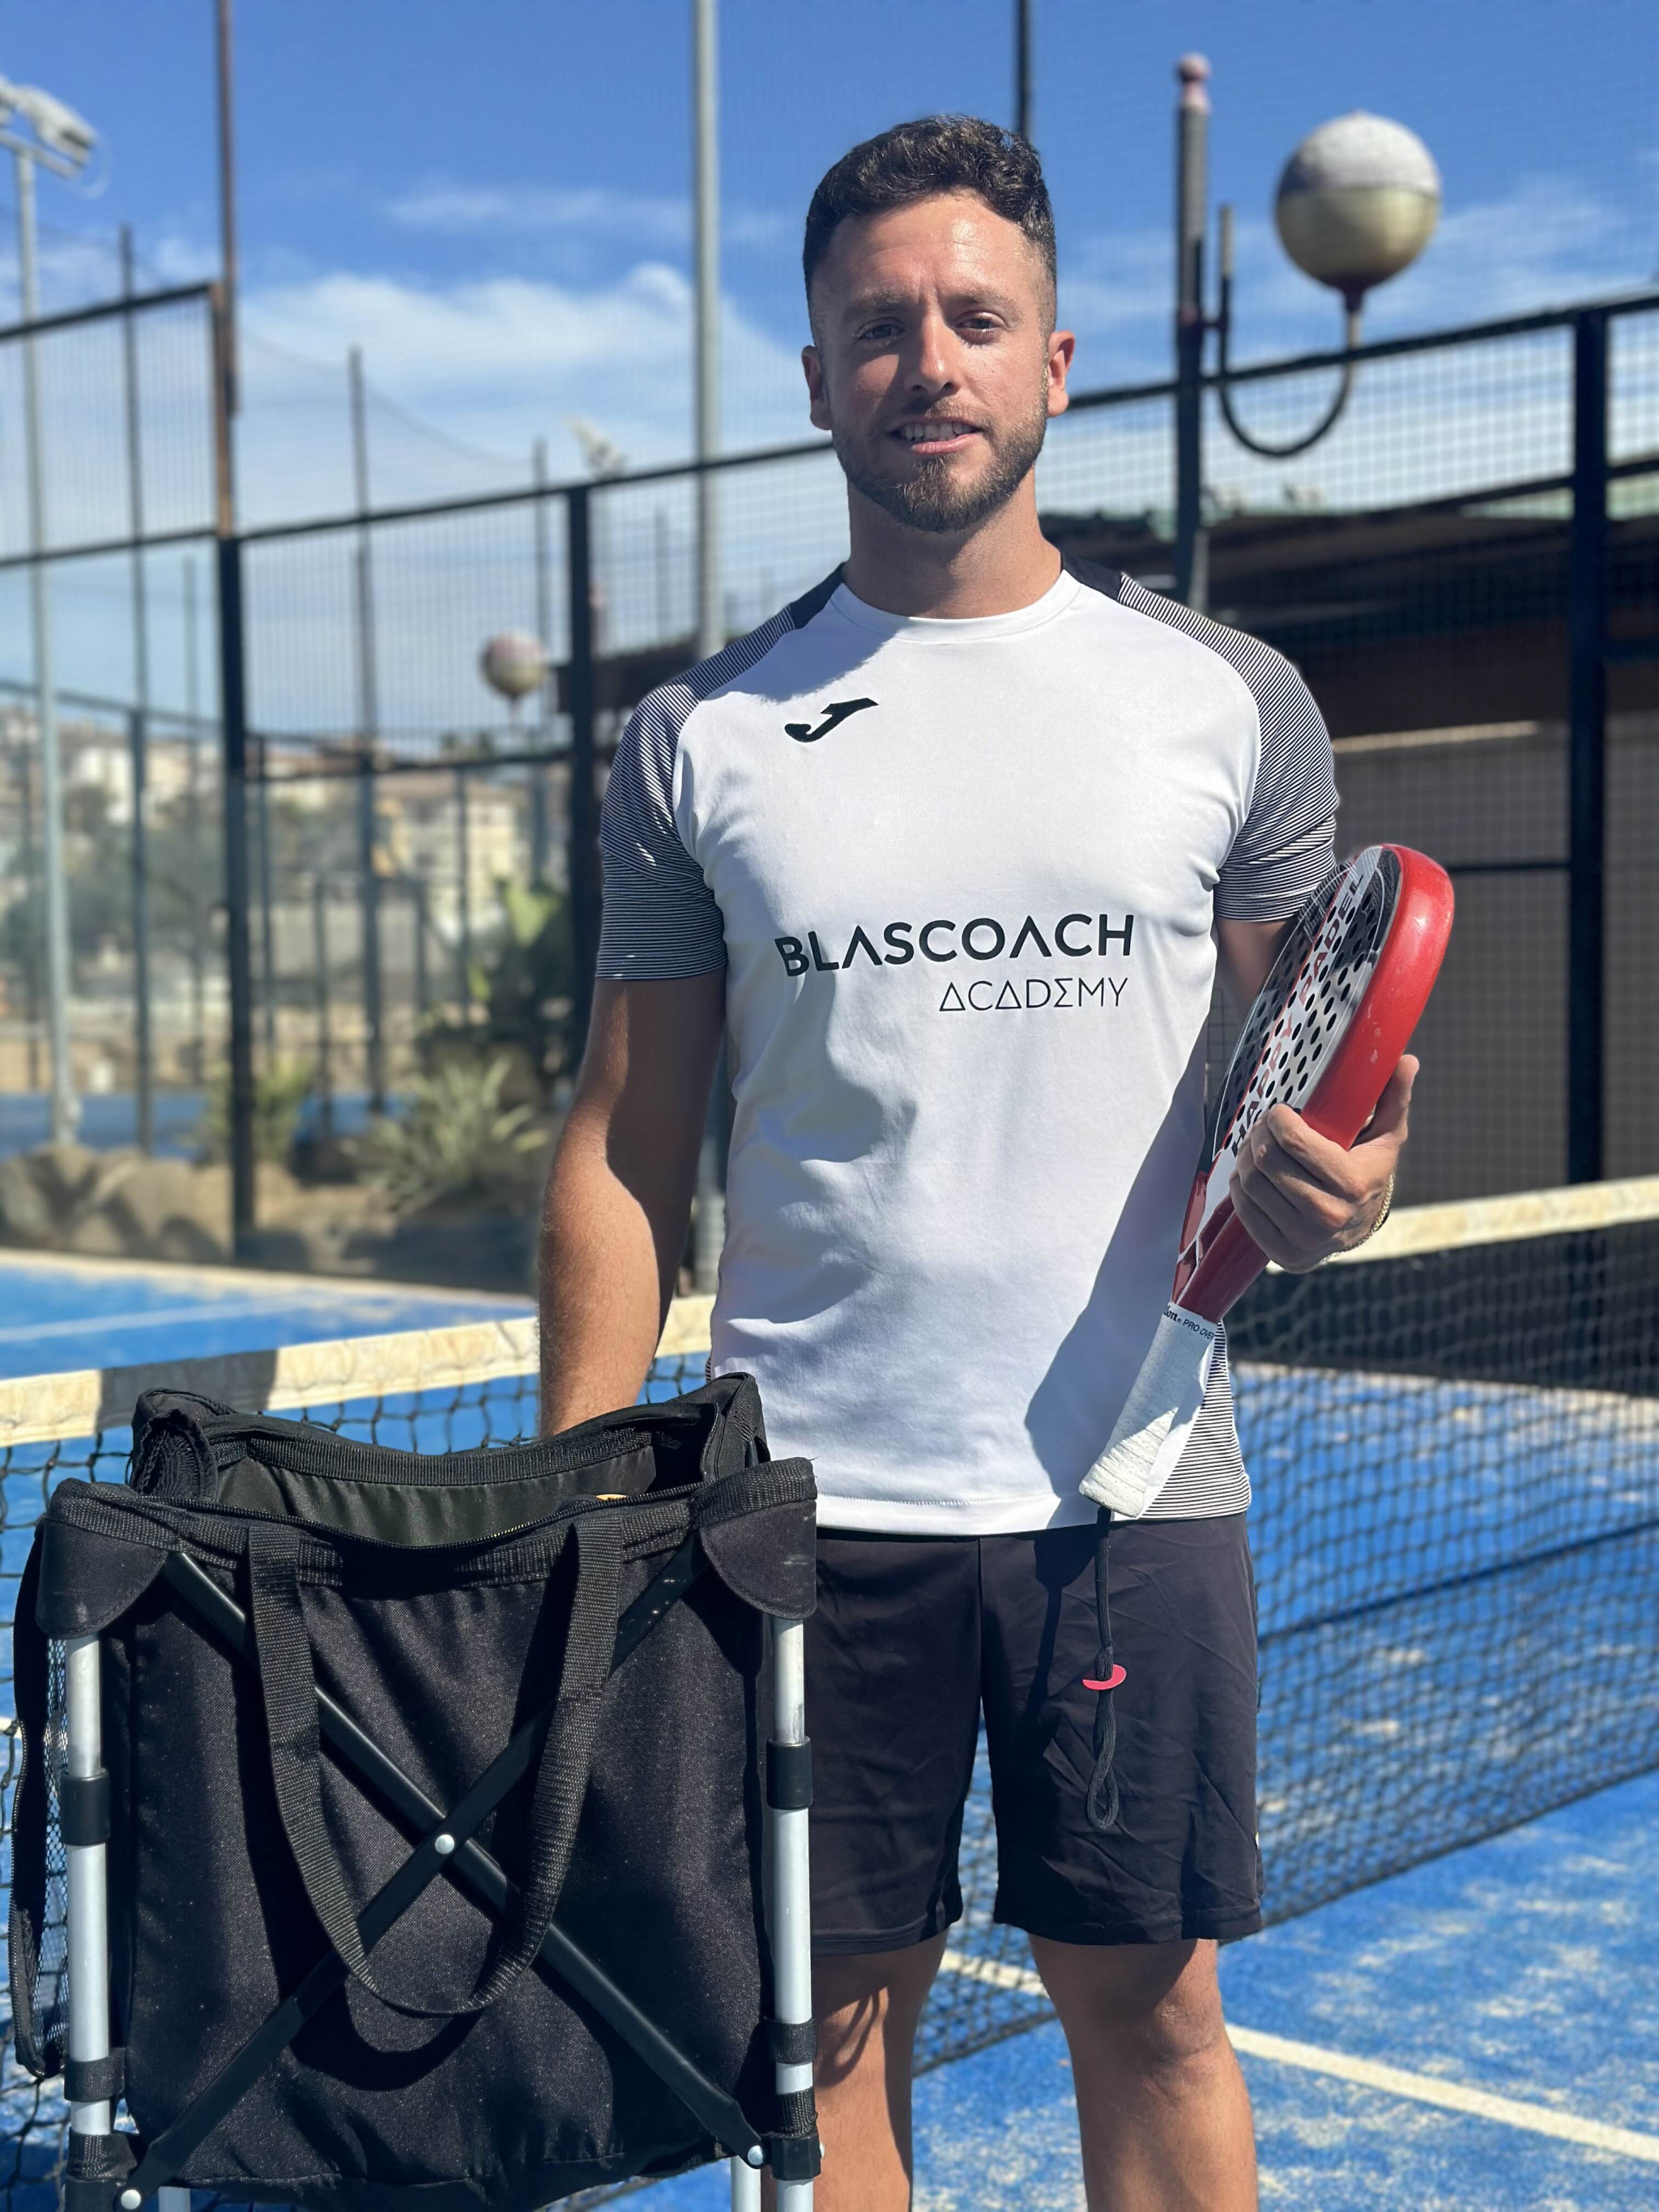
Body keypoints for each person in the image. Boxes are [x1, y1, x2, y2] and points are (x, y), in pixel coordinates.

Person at [539, 116, 1413, 2212]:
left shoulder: (1229, 702)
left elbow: (1326, 1079)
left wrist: (1357, 1181)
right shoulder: (698, 740)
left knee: (1160, 2014)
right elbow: (625, 1147)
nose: (926, 359)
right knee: (831, 2034)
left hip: (1136, 1487)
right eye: (878, 326)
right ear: (817, 376)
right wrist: (572, 1499)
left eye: (972, 316)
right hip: (804, 1510)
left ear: (1054, 360)